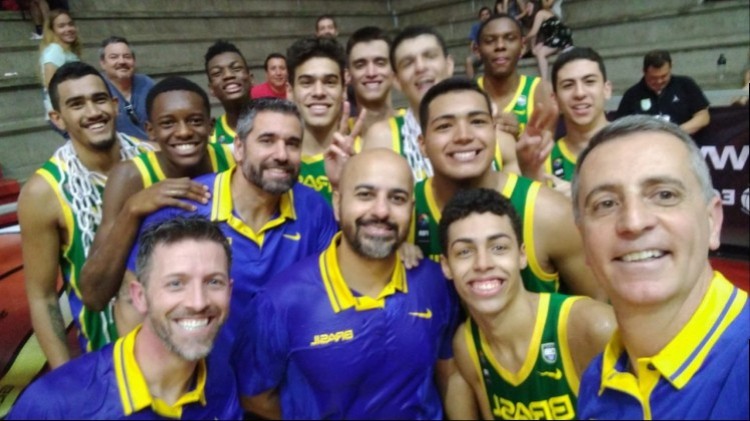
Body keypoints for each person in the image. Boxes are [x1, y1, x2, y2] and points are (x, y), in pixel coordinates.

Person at [240, 149, 458, 419]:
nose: (381, 211)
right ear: (337, 203)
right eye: (365, 195)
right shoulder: (281, 301)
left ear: (411, 210)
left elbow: (449, 374)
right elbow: (256, 397)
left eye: (397, 198)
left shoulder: (435, 283)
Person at [572, 115, 749, 419]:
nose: (634, 222)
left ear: (713, 221)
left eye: (664, 195)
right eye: (606, 203)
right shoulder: (596, 382)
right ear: (584, 242)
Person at [126, 98, 338, 339]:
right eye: (267, 141)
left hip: (287, 358)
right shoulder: (184, 207)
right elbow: (131, 299)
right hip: (199, 358)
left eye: (292, 144)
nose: (282, 155)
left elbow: (330, 292)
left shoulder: (313, 207)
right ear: (239, 148)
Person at [8, 217, 242, 420]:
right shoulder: (55, 403)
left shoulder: (220, 379)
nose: (198, 302)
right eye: (176, 284)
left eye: (214, 282)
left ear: (229, 292)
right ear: (139, 297)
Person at [414, 77, 603, 299]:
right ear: (422, 144)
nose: (464, 136)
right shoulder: (405, 212)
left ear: (494, 132)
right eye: (445, 126)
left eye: (477, 122)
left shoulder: (548, 212)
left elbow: (602, 306)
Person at [18, 62, 151, 367]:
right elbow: (43, 298)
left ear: (114, 105)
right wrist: (67, 379)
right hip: (107, 359)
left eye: (99, 99)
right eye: (76, 104)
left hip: (176, 344)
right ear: (58, 118)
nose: (93, 112)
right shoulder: (44, 192)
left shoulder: (152, 158)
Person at [439, 188, 615, 419]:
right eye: (464, 252)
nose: (483, 264)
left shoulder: (591, 327)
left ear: (522, 256)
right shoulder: (467, 344)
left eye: (499, 247)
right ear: (446, 266)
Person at [79, 77, 235, 335]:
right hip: (163, 326)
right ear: (150, 130)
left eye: (195, 121)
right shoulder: (130, 177)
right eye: (168, 123)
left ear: (211, 126)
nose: (183, 132)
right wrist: (132, 209)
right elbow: (94, 295)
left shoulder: (232, 160)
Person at [387, 26, 519, 181]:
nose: (420, 67)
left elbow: (519, 192)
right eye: (408, 63)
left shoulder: (498, 136)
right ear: (396, 80)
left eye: (430, 56)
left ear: (449, 65)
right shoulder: (384, 139)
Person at [286, 36, 354, 205]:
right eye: (306, 83)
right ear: (290, 91)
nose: (319, 92)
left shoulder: (363, 155)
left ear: (344, 90)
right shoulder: (276, 162)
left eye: (330, 82)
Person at [537, 47, 611, 195]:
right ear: (555, 99)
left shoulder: (636, 148)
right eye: (568, 85)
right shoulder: (544, 161)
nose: (579, 93)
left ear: (606, 90)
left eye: (589, 82)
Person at [475, 13, 558, 139]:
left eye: (510, 38)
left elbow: (546, 148)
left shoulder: (541, 91)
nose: (500, 46)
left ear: (523, 46)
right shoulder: (467, 93)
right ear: (477, 50)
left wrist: (519, 136)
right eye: (490, 41)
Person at [617, 50, 710, 135]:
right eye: (653, 78)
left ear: (670, 68)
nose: (659, 81)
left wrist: (675, 132)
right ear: (644, 72)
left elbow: (703, 117)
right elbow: (620, 128)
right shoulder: (631, 95)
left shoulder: (685, 84)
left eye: (664, 76)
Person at [345, 26, 397, 147]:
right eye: (360, 65)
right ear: (348, 75)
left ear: (394, 70)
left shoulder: (415, 126)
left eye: (380, 63)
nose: (371, 73)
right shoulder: (339, 136)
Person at [99, 36, 155, 140]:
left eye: (127, 56)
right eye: (114, 57)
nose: (122, 61)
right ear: (103, 63)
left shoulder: (146, 84)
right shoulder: (97, 88)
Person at [39, 9, 80, 130]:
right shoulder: (54, 50)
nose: (68, 29)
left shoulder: (67, 51)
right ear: (52, 30)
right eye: (61, 26)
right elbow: (50, 85)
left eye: (70, 24)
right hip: (63, 115)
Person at [205, 39, 253, 146]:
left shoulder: (279, 120)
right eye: (217, 73)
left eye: (236, 68)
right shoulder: (210, 138)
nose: (228, 75)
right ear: (211, 88)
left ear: (251, 79)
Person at [526, 0, 573, 81]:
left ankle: (544, 80)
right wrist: (533, 48)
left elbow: (533, 32)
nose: (527, 10)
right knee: (538, 50)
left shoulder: (540, 13)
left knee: (541, 53)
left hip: (560, 37)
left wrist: (523, 39)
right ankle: (558, 50)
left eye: (529, 7)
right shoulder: (544, 13)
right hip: (556, 37)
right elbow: (535, 35)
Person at [465, 7, 492, 79]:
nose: (485, 16)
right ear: (480, 18)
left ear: (490, 15)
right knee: (468, 60)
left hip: (490, 52)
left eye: (487, 14)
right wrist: (475, 53)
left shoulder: (494, 26)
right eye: (483, 15)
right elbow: (472, 44)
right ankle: (471, 83)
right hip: (479, 53)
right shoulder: (476, 27)